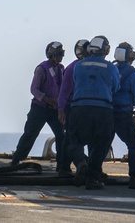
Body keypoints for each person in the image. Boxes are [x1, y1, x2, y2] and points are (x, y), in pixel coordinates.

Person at [67, 35, 119, 190]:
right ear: (106, 50)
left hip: (79, 108)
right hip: (103, 110)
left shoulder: (78, 65)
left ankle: (81, 162)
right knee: (101, 144)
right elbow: (116, 87)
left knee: (73, 140)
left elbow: (76, 82)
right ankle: (92, 178)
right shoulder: (110, 67)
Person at [10, 41, 68, 174]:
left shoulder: (61, 69)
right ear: (52, 55)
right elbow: (34, 89)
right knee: (30, 133)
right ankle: (16, 159)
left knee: (61, 135)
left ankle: (62, 164)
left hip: (54, 109)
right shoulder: (41, 69)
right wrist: (46, 98)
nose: (61, 57)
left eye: (62, 54)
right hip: (40, 108)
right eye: (59, 54)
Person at [112, 41, 135, 190]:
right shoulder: (133, 74)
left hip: (107, 112)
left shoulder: (110, 70)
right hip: (124, 114)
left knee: (101, 143)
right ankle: (134, 177)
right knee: (134, 145)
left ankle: (94, 174)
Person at [56, 39, 89, 178]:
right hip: (72, 107)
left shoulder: (78, 67)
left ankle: (79, 166)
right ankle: (67, 167)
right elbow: (64, 91)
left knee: (73, 138)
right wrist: (61, 109)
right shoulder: (72, 68)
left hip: (82, 107)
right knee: (70, 138)